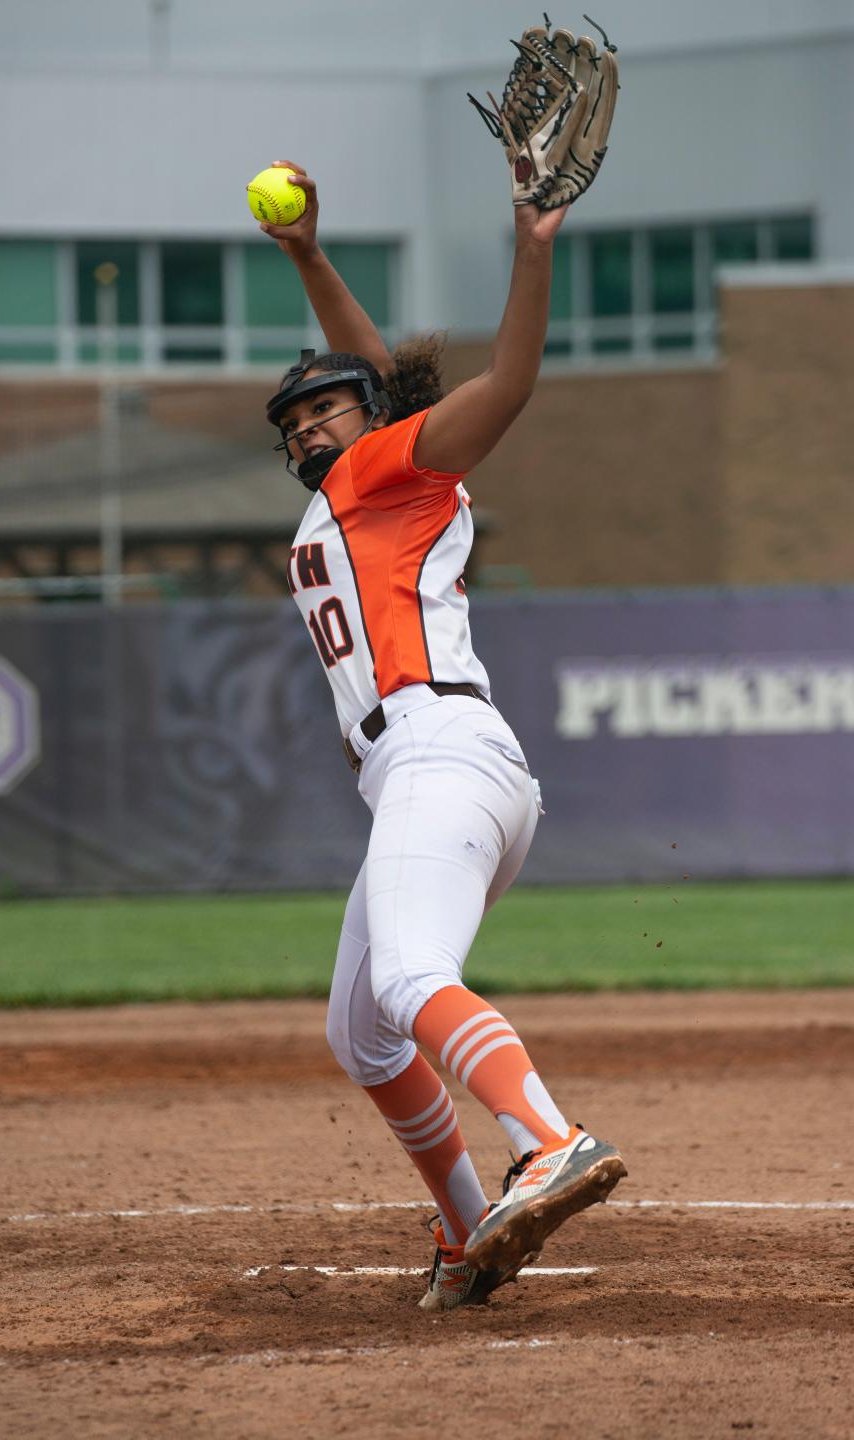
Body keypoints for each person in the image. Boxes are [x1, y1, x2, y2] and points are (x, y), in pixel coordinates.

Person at [259, 160, 626, 1310]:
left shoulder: (390, 470)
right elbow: (365, 374)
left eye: (330, 404)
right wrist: (310, 257)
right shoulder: (350, 490)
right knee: (362, 1035)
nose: (314, 421)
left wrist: (533, 245)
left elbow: (507, 386)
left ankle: (550, 1140)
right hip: (423, 774)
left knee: (414, 975)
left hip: (439, 753)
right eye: (297, 417)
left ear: (373, 419)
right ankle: (472, 1228)